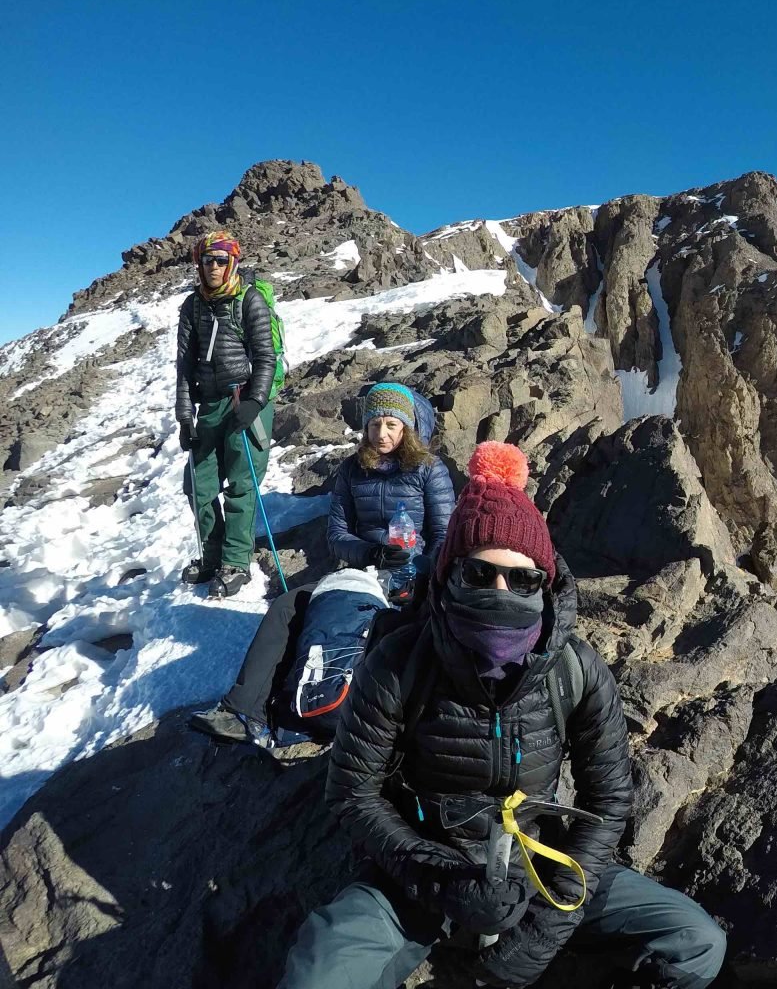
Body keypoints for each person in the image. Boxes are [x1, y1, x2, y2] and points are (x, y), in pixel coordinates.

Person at [277, 441, 726, 989]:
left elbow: (608, 800)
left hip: (540, 863)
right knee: (318, 975)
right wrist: (438, 879)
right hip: (423, 868)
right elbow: (352, 792)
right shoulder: (397, 663)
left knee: (694, 941)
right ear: (445, 578)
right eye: (477, 573)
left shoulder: (575, 670)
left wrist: (550, 921)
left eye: (522, 579)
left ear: (546, 583)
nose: (501, 591)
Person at [190, 383, 456, 746]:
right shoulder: (351, 470)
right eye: (375, 425)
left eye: (392, 426)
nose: (382, 434)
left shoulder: (429, 470)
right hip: (359, 572)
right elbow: (337, 535)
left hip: (412, 576)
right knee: (289, 606)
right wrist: (372, 554)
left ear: (406, 428)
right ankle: (243, 711)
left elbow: (444, 534)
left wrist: (422, 571)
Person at [175, 230, 278, 597]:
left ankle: (236, 561)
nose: (214, 267)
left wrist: (255, 402)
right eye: (207, 260)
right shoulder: (192, 306)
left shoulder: (249, 300)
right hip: (209, 404)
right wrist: (185, 417)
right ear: (199, 264)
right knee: (197, 486)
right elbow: (185, 367)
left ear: (232, 262)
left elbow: (266, 356)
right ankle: (212, 554)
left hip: (245, 399)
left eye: (221, 260)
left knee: (240, 483)